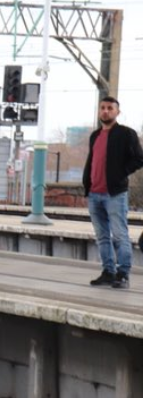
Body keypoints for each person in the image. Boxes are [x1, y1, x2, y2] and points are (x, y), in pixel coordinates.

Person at [83, 97, 142, 290]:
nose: (105, 111)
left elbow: (139, 159)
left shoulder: (126, 134)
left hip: (115, 193)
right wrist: (87, 183)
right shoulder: (95, 135)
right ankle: (108, 272)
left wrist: (120, 173)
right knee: (102, 236)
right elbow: (92, 161)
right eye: (102, 108)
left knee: (119, 235)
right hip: (94, 193)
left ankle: (123, 273)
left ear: (117, 112)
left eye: (110, 108)